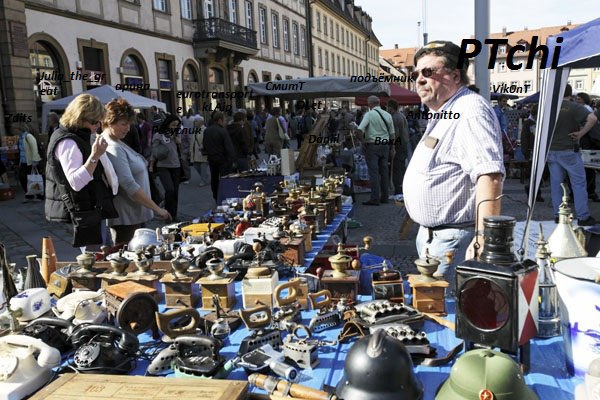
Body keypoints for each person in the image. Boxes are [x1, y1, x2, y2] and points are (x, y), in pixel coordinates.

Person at [403, 40, 505, 286]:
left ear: (455, 76)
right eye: (416, 74)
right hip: (437, 237)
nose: (419, 80)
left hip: (455, 239)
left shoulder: (470, 110)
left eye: (428, 72)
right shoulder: (446, 110)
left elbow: (489, 175)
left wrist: (484, 236)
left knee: (450, 304)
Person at [45, 93, 119, 247]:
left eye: (99, 121)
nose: (97, 125)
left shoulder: (77, 135)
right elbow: (76, 183)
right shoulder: (67, 141)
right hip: (83, 212)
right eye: (94, 122)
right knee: (94, 258)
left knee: (103, 251)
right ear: (79, 118)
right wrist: (95, 156)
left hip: (90, 208)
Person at [101, 98, 171, 244]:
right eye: (123, 124)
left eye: (129, 124)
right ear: (109, 122)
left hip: (133, 215)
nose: (128, 128)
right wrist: (157, 209)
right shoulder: (113, 147)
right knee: (128, 254)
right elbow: (128, 184)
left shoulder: (117, 142)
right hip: (127, 218)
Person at [547, 84, 597, 225]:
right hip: (569, 150)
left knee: (556, 184)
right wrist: (581, 133)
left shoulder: (549, 107)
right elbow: (593, 119)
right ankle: (583, 216)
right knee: (578, 184)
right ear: (570, 93)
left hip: (552, 150)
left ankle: (558, 215)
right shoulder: (574, 107)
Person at [356, 95, 394, 206]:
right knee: (384, 172)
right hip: (385, 145)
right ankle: (385, 197)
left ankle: (375, 198)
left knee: (374, 173)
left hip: (373, 145)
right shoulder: (387, 115)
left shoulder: (369, 114)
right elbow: (392, 134)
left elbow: (359, 130)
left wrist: (363, 141)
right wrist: (392, 147)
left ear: (370, 104)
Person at [149, 115, 182, 221]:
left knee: (175, 192)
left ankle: (174, 215)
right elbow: (154, 151)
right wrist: (151, 165)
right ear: (167, 124)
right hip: (163, 166)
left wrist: (174, 136)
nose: (174, 127)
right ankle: (167, 213)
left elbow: (179, 143)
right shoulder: (158, 135)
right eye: (173, 125)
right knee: (170, 190)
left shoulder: (176, 134)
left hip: (175, 165)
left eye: (176, 125)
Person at [203, 111, 235, 202]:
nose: (225, 122)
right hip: (223, 159)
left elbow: (205, 144)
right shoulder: (222, 131)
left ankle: (216, 196)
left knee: (214, 179)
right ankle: (225, 196)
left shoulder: (207, 130)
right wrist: (232, 160)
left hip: (212, 158)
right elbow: (228, 147)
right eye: (224, 120)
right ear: (220, 120)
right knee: (224, 178)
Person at [575, 92, 600, 202]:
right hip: (588, 142)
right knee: (588, 170)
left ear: (584, 99)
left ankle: (588, 192)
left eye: (579, 99)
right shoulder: (586, 109)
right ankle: (590, 192)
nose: (577, 101)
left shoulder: (585, 109)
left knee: (588, 169)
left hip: (588, 143)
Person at [387, 99, 410, 195]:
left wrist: (392, 147)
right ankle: (403, 188)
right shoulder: (401, 115)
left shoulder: (395, 117)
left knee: (397, 169)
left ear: (391, 107)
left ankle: (398, 191)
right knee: (401, 168)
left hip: (398, 145)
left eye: (388, 107)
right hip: (404, 144)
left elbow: (395, 134)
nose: (387, 109)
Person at [16, 123, 42, 201]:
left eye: (15, 129)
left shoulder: (28, 136)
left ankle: (39, 195)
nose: (14, 131)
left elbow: (34, 148)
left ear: (19, 129)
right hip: (23, 161)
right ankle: (29, 195)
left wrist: (34, 160)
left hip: (31, 161)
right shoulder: (20, 138)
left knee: (34, 178)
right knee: (22, 178)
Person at [190, 117, 210, 186]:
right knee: (196, 166)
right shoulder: (195, 129)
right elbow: (192, 140)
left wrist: (203, 146)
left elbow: (207, 140)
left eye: (196, 121)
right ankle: (205, 176)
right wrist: (191, 150)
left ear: (201, 122)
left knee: (203, 166)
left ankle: (203, 181)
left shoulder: (205, 130)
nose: (194, 123)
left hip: (202, 151)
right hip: (195, 151)